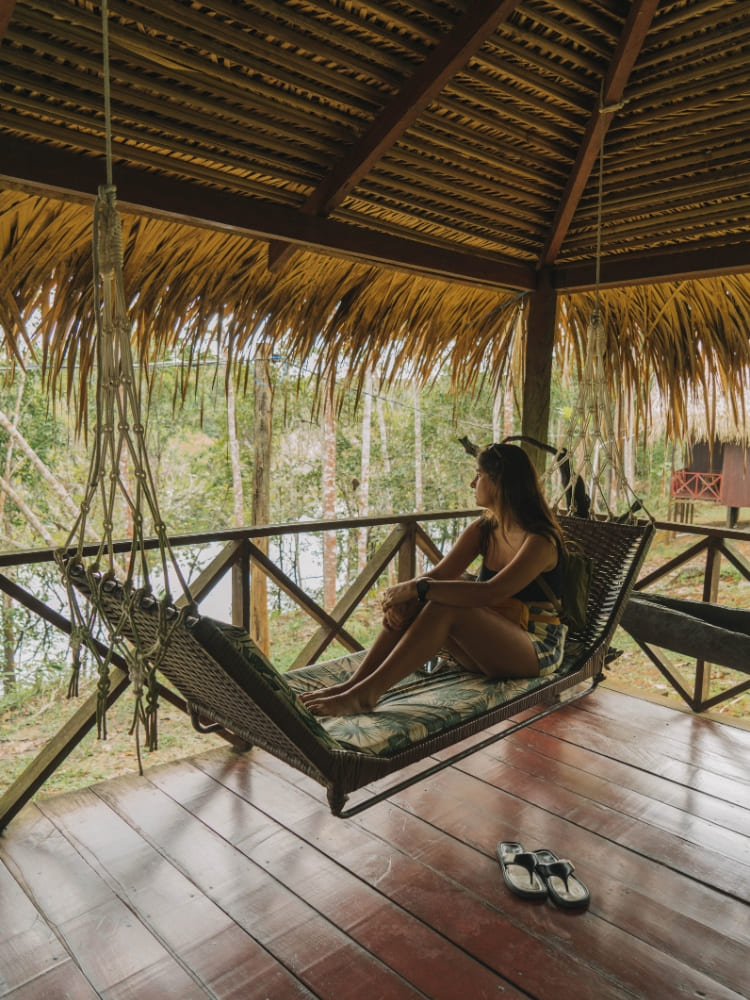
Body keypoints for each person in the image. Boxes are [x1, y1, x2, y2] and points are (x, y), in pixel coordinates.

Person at [301, 442, 567, 717]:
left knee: (440, 601)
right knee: (419, 599)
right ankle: (354, 686)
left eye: (479, 475)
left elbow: (490, 593)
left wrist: (418, 588)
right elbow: (438, 576)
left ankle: (367, 695)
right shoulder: (484, 529)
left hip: (535, 647)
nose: (472, 483)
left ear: (499, 481)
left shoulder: (540, 541)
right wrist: (406, 597)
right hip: (488, 647)